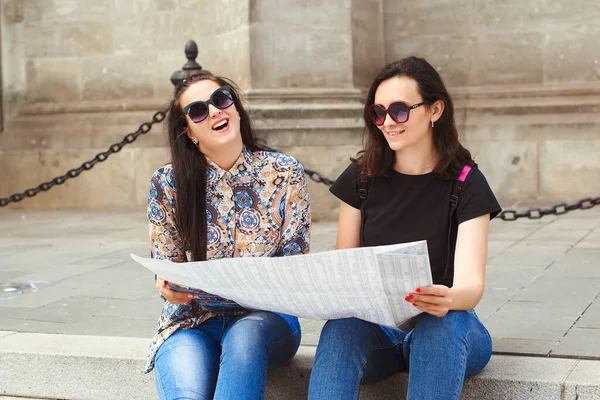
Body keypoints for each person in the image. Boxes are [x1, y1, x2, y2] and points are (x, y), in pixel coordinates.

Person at [308, 56, 501, 400]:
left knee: (438, 327)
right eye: (378, 113)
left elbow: (471, 286)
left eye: (399, 110)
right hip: (381, 333)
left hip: (450, 328)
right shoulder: (361, 178)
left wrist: (447, 298)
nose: (387, 122)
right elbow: (345, 268)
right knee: (340, 329)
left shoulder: (466, 182)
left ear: (435, 110)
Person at [145, 72, 311, 400]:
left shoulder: (285, 172)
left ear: (235, 107)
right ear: (188, 132)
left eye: (220, 99)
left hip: (266, 320)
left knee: (245, 337)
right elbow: (167, 267)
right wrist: (167, 286)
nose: (215, 111)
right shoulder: (167, 183)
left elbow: (296, 265)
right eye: (198, 110)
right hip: (192, 322)